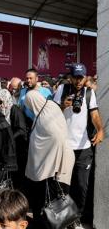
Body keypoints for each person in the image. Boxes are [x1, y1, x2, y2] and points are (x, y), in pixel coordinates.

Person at [53, 63, 104, 227]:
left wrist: (100, 130)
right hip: (64, 147)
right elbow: (51, 113)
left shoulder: (89, 93)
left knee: (82, 186)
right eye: (75, 77)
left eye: (81, 77)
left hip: (84, 148)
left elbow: (94, 114)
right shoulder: (62, 90)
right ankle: (65, 219)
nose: (78, 81)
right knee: (63, 186)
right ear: (70, 77)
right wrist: (62, 105)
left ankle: (76, 219)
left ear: (86, 77)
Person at [25, 90, 75, 227]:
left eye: (29, 104)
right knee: (52, 200)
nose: (29, 107)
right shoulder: (48, 107)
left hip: (56, 165)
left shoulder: (46, 115)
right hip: (54, 163)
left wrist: (53, 163)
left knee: (55, 201)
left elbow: (57, 137)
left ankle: (55, 224)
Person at [0, 89, 28, 192]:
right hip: (7, 149)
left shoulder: (15, 110)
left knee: (17, 176)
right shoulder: (0, 112)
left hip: (18, 149)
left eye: (0, 102)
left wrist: (10, 137)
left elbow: (22, 130)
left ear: (6, 100)